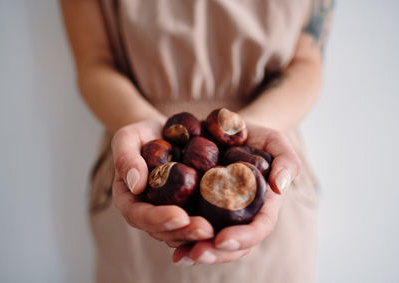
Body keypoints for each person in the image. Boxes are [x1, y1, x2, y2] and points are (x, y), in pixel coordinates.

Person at [61, 0, 334, 282]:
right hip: (133, 150)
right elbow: (94, 62)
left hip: (268, 146)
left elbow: (307, 62)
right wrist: (139, 119)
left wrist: (256, 128)